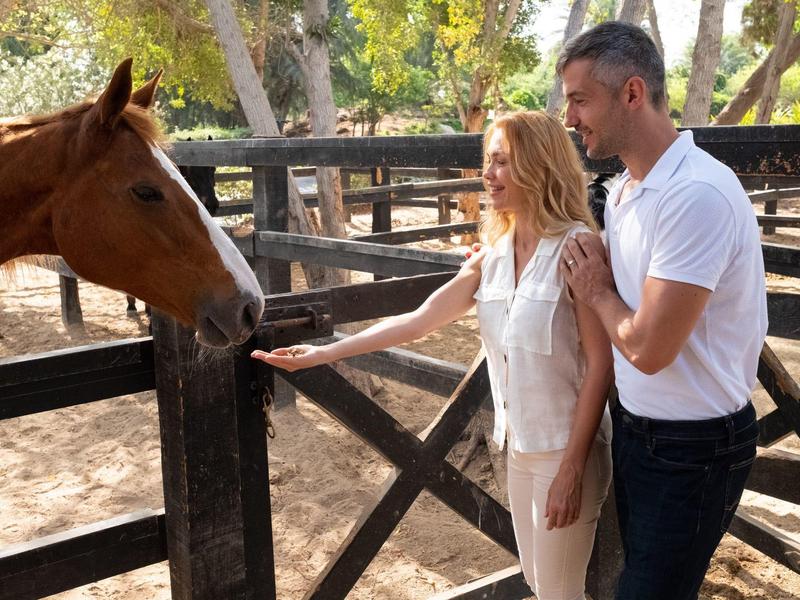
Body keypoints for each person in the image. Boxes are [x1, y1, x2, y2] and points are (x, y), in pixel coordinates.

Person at [252, 111, 614, 600]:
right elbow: (418, 321)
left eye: (502, 162)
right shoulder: (493, 255)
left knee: (559, 591)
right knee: (537, 580)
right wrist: (323, 353)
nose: (487, 175)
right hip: (519, 449)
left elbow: (600, 366)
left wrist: (572, 466)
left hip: (566, 450)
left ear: (540, 165)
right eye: (488, 161)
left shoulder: (578, 249)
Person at [556, 21, 767, 600]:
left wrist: (597, 289)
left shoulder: (695, 195)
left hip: (693, 450)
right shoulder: (626, 192)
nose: (570, 118)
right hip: (639, 432)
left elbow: (648, 349)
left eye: (579, 100)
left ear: (631, 93)